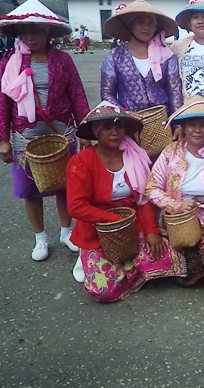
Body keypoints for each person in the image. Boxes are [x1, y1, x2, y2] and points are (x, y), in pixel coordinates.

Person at [0, 0, 91, 261]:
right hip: (24, 134)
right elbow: (2, 102)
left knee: (65, 184)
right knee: (29, 188)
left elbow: (77, 95)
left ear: (48, 33)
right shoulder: (9, 62)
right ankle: (40, 238)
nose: (30, 36)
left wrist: (85, 132)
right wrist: (2, 139)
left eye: (36, 30)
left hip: (62, 130)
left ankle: (66, 232)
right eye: (24, 31)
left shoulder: (63, 59)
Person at [67, 102, 186, 302]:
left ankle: (123, 271)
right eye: (107, 127)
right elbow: (76, 206)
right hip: (97, 231)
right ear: (96, 132)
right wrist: (114, 219)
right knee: (103, 290)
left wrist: (151, 231)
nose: (115, 132)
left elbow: (143, 199)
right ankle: (117, 267)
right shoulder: (81, 162)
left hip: (133, 226)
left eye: (119, 126)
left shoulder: (134, 157)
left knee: (174, 258)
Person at [146, 97, 204, 294]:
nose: (197, 130)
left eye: (203, 125)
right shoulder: (170, 152)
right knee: (155, 254)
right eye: (192, 125)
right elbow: (152, 188)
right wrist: (177, 205)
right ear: (183, 128)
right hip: (178, 225)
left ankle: (197, 264)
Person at [100, 0, 183, 117]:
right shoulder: (115, 57)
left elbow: (175, 93)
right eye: (140, 22)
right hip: (128, 124)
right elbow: (107, 93)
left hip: (162, 124)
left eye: (151, 23)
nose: (146, 27)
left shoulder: (167, 56)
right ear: (130, 26)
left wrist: (176, 124)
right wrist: (125, 113)